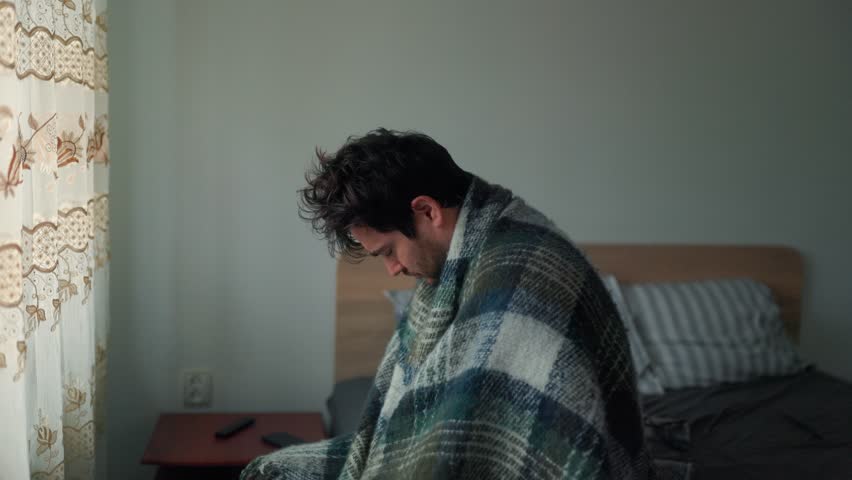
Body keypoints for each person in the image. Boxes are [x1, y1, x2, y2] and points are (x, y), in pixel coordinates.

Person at [241, 129, 654, 479]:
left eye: (388, 252)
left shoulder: (523, 268)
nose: (393, 270)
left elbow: (493, 424)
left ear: (426, 211)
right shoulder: (467, 254)